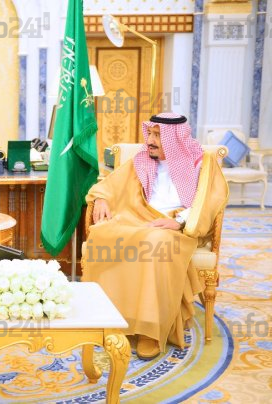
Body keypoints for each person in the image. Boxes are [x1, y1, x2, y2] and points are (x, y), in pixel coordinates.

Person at [82, 113, 228, 360]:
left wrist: (179, 221)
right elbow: (109, 185)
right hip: (138, 217)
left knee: (155, 242)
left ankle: (149, 330)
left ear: (174, 138)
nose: (149, 140)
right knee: (101, 233)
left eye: (158, 136)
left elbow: (211, 202)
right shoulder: (142, 159)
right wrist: (102, 198)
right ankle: (110, 319)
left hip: (176, 226)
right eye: (149, 133)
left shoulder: (201, 163)